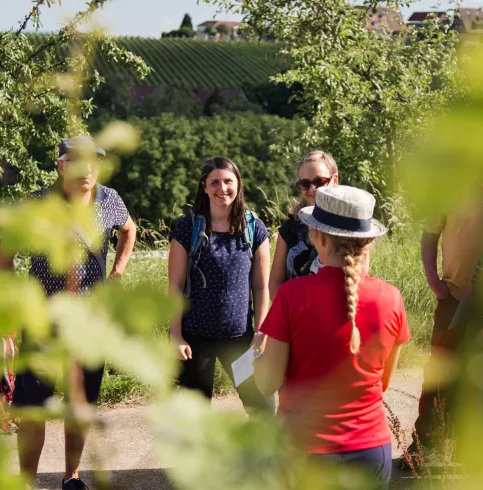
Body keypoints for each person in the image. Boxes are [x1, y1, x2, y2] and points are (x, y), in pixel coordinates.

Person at [0, 135, 137, 490]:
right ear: (61, 166)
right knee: (33, 407)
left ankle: (71, 478)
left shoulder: (110, 200)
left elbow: (128, 229)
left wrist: (118, 271)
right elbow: (6, 251)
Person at [253, 185, 410, 489]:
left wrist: (258, 356)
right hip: (370, 448)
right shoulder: (392, 298)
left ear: (319, 237)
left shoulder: (291, 296)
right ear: (368, 241)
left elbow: (266, 383)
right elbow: (383, 381)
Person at [168, 156, 272, 414]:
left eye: (228, 181)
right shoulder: (186, 228)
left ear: (238, 184)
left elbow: (261, 287)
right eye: (215, 182)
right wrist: (176, 335)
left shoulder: (254, 228)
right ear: (204, 186)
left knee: (262, 407)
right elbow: (175, 285)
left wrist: (261, 333)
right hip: (195, 341)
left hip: (240, 340)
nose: (222, 188)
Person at [405, 202, 483, 463]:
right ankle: (424, 445)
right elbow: (430, 233)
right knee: (440, 369)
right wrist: (434, 281)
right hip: (454, 296)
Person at [269, 151, 338, 300]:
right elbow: (275, 284)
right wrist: (288, 315)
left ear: (335, 180)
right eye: (305, 184)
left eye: (320, 181)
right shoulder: (291, 227)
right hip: (295, 318)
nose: (312, 189)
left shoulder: (349, 227)